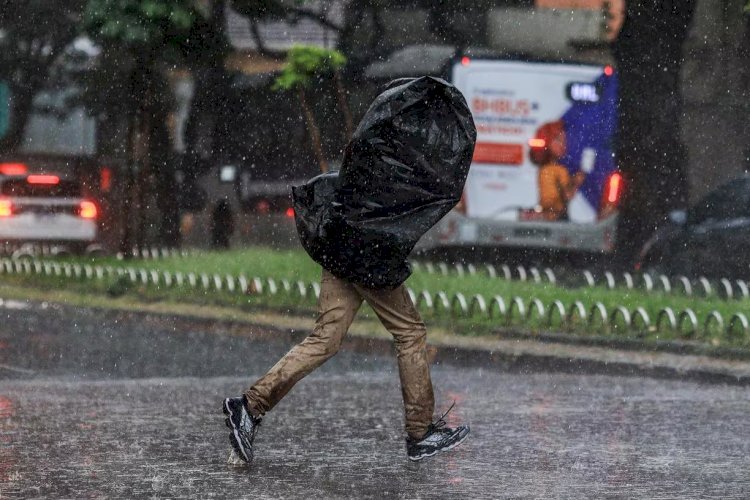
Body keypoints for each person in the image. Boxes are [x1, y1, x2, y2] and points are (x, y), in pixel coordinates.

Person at [223, 77, 472, 464]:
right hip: (366, 254)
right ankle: (420, 432)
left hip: (339, 244)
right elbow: (397, 212)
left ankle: (249, 407)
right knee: (410, 332)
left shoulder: (372, 142)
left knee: (326, 338)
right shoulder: (402, 159)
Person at [530, 120, 586, 221]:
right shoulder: (551, 170)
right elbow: (563, 196)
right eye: (558, 140)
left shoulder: (549, 169)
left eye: (564, 140)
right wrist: (576, 181)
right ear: (548, 141)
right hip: (555, 219)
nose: (563, 144)